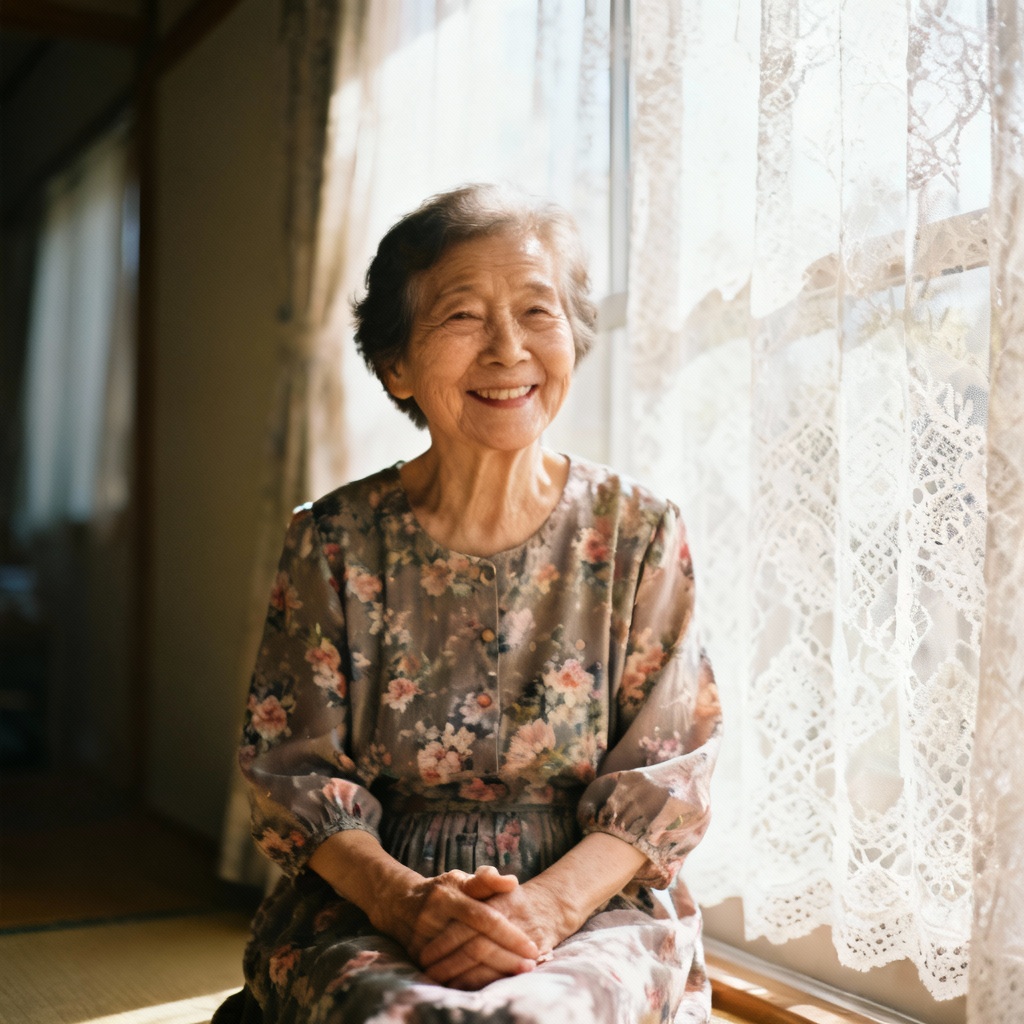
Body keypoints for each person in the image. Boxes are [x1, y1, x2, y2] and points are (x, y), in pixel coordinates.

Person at [222, 184, 722, 1024]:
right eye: (462, 317)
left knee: (543, 1015)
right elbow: (291, 771)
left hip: (593, 893)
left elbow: (668, 777)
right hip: (375, 887)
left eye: (537, 311)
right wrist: (408, 904)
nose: (507, 350)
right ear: (397, 365)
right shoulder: (333, 539)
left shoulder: (638, 532)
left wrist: (544, 910)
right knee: (399, 1013)